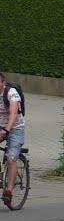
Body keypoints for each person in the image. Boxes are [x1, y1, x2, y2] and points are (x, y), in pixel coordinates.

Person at [0, 73, 25, 206]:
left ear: (3, 83)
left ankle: (9, 190)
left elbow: (14, 113)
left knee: (11, 159)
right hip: (0, 127)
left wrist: (6, 131)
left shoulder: (11, 93)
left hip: (15, 128)